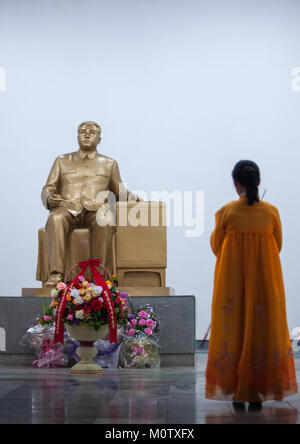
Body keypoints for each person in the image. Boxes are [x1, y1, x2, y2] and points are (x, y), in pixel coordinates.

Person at [205, 160, 297, 411]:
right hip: (266, 282)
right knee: (262, 329)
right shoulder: (271, 212)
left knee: (234, 329)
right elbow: (277, 245)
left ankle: (236, 390)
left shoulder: (226, 212)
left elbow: (216, 246)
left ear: (235, 184)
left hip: (231, 284)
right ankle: (257, 390)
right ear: (258, 182)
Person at [41, 121, 139, 287]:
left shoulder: (109, 164)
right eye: (82, 132)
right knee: (55, 219)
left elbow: (119, 190)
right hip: (67, 208)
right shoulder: (61, 161)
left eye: (91, 132)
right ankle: (56, 274)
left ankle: (102, 276)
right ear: (77, 136)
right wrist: (50, 198)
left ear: (99, 139)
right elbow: (48, 188)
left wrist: (130, 196)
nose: (86, 135)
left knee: (106, 220)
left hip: (96, 209)